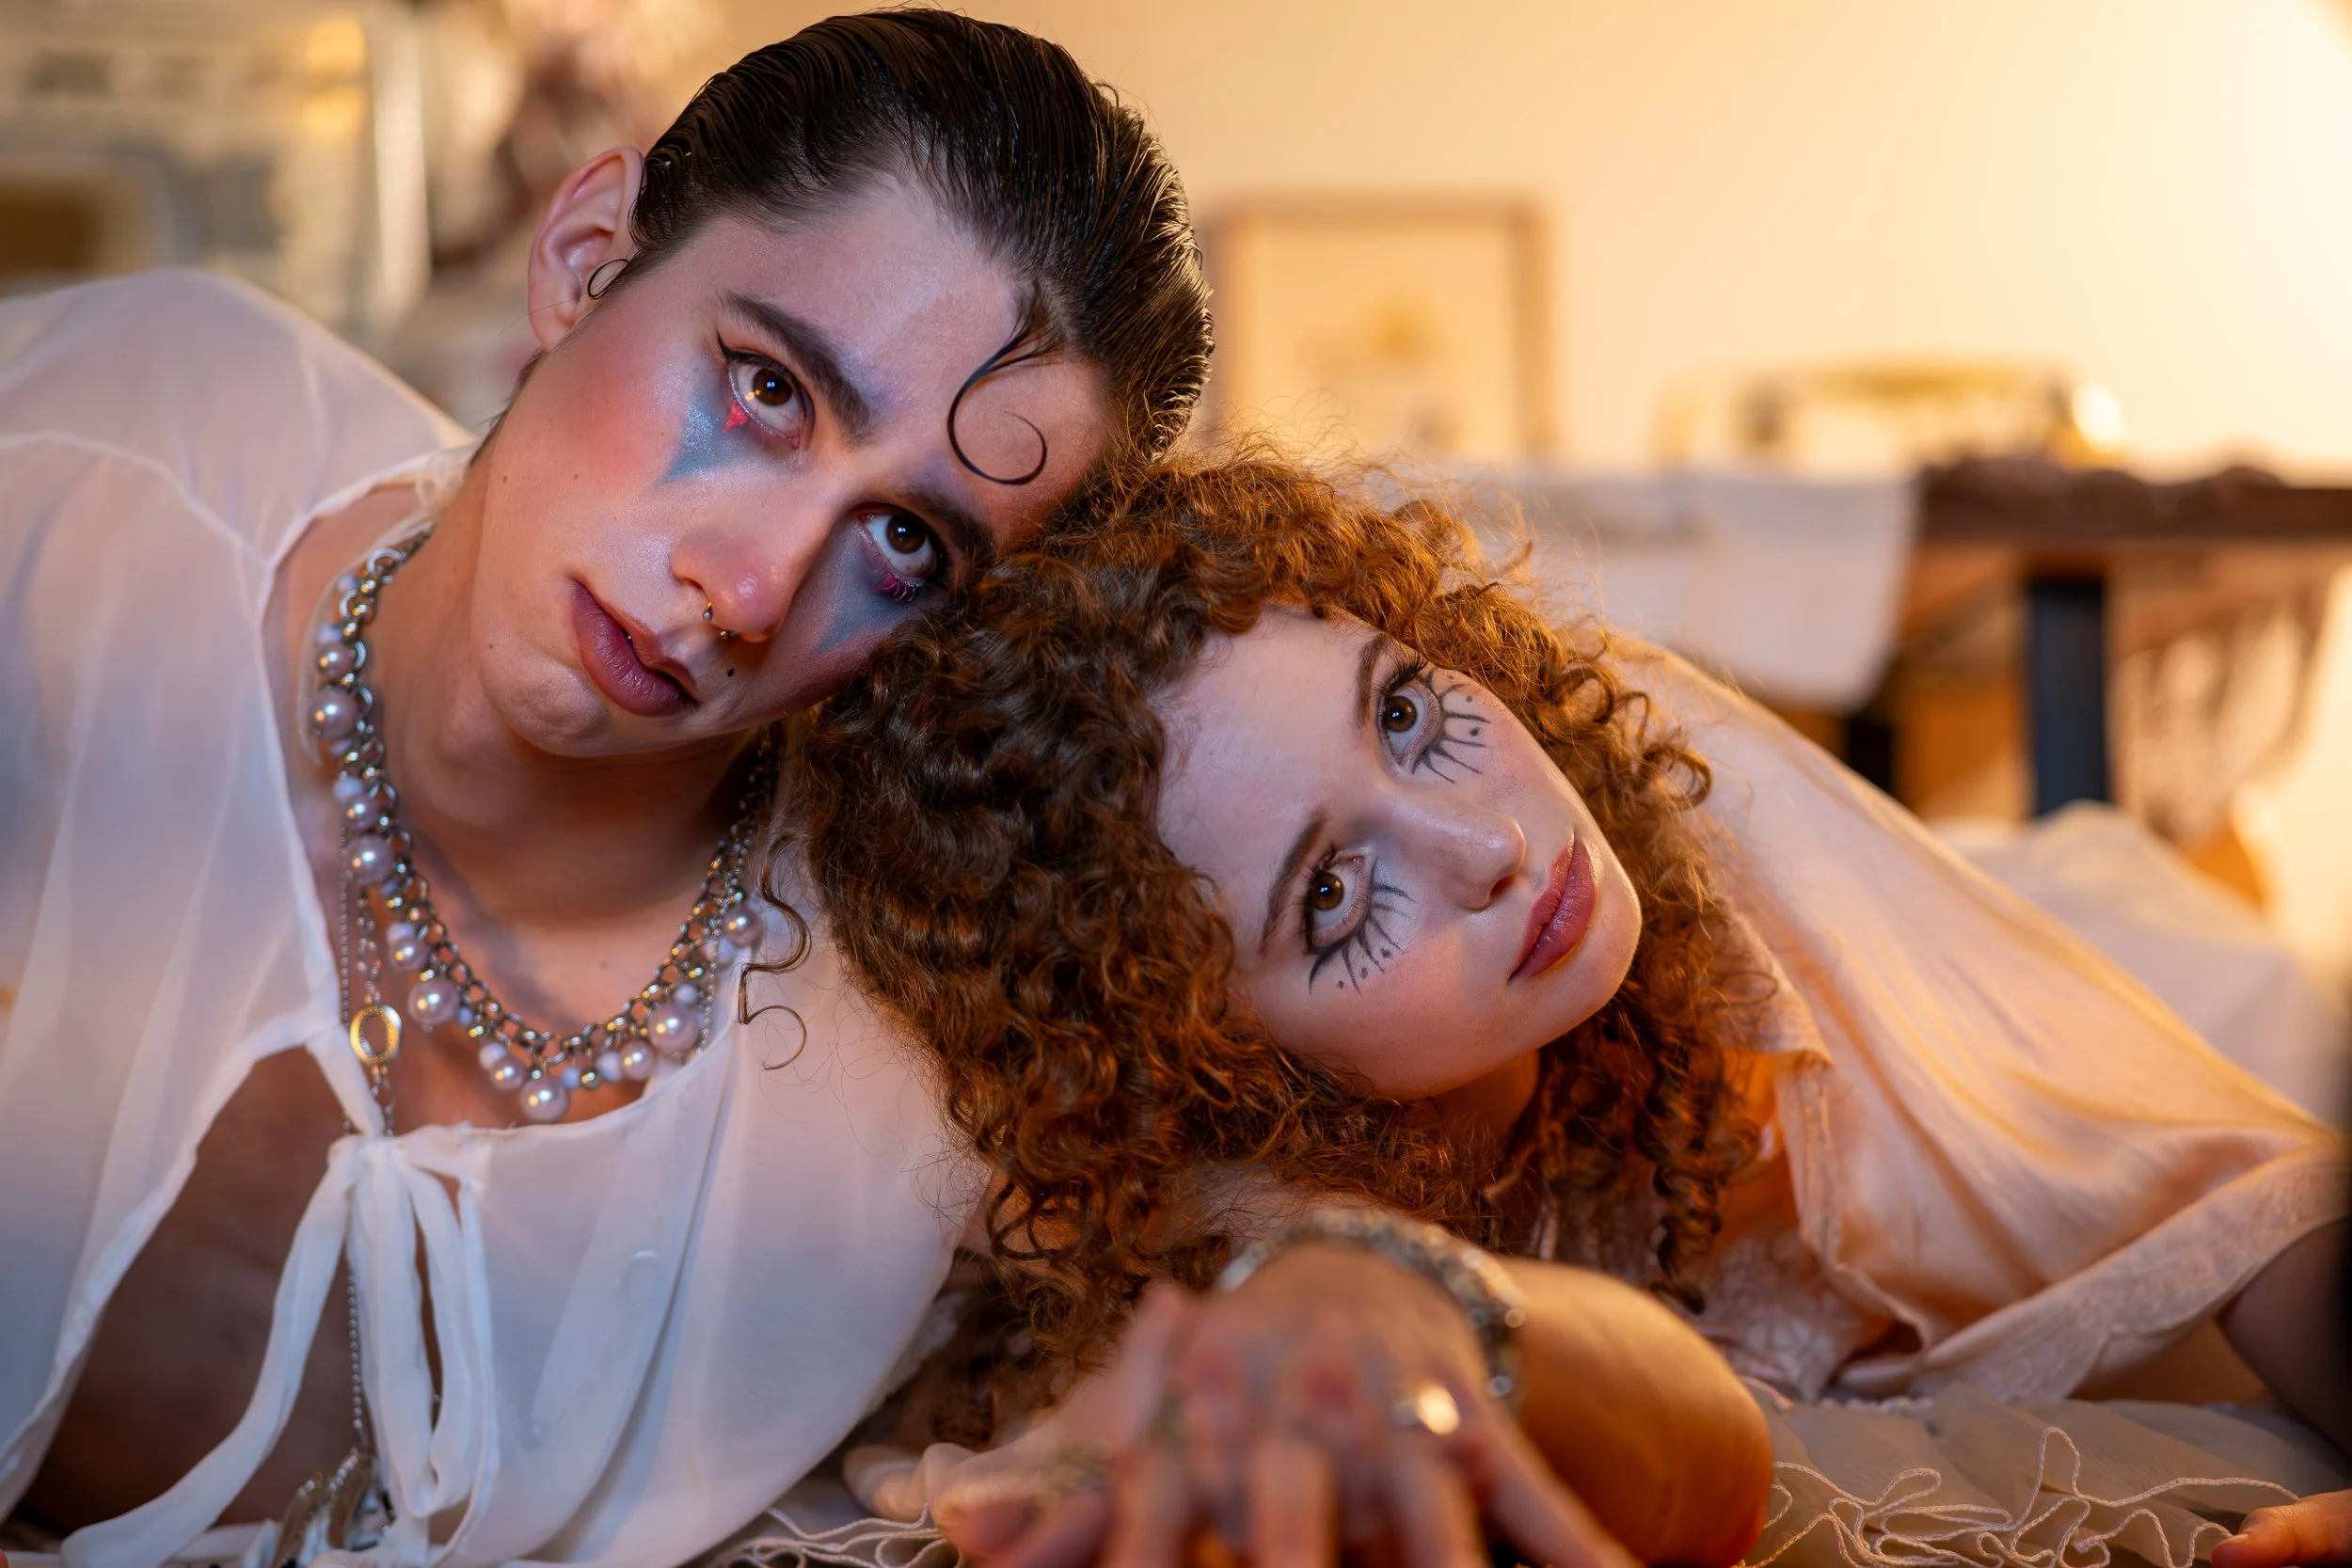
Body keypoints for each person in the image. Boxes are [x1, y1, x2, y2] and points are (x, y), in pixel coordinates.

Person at [0, 12, 1214, 1565]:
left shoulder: (909, 1047)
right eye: (768, 389)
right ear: (586, 256)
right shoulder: (106, 473)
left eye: (906, 541)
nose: (757, 586)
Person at [784, 457, 2352, 1568]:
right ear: (1214, 1060)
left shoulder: (1699, 812)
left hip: (2044, 946)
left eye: (1406, 711)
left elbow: (2225, 1190)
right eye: (1336, 897)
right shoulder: (1163, 1188)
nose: (1489, 848)